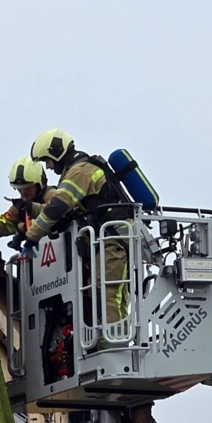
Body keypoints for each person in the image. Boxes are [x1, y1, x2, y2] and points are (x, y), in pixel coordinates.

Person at [23, 129, 132, 327]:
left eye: (47, 160)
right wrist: (29, 210)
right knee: (100, 291)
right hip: (109, 241)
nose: (48, 166)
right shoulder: (77, 171)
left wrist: (31, 238)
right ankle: (109, 336)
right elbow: (62, 209)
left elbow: (58, 207)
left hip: (114, 240)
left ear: (56, 152)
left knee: (107, 292)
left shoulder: (80, 171)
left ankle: (114, 342)